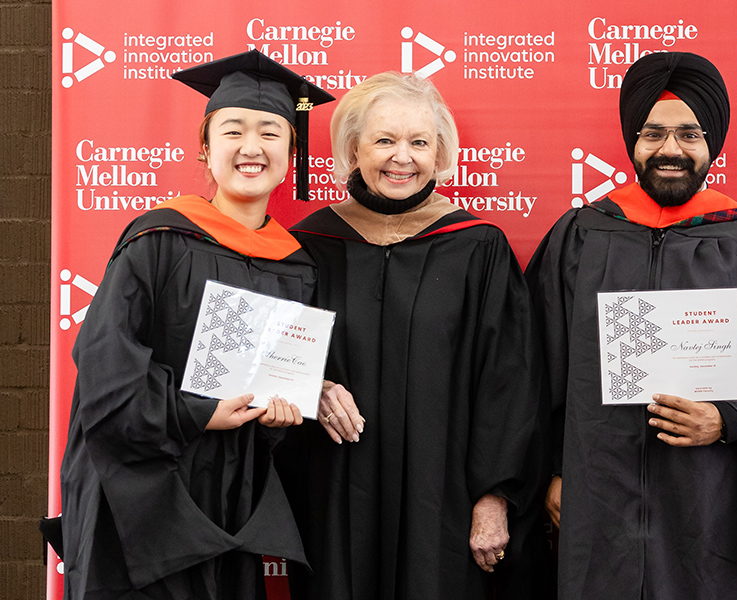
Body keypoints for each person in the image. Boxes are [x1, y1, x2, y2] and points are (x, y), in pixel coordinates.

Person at [526, 52, 737, 599]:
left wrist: (729, 418)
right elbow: (534, 363)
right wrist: (552, 468)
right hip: (597, 501)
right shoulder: (580, 236)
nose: (670, 150)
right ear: (632, 140)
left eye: (689, 134)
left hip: (708, 502)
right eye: (653, 133)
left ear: (712, 143)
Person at [59, 49, 333, 599]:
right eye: (233, 131)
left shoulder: (298, 264)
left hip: (231, 497)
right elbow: (105, 367)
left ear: (291, 152)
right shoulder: (157, 239)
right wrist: (200, 413)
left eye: (271, 132)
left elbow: (280, 388)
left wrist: (282, 412)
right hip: (142, 490)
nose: (251, 147)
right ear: (205, 151)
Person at [276, 72, 548, 600]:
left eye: (419, 142)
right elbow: (273, 366)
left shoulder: (476, 248)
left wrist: (494, 499)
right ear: (353, 149)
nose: (402, 157)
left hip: (442, 503)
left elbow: (510, 386)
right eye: (384, 140)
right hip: (333, 498)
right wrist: (314, 386)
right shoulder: (308, 246)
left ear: (438, 152)